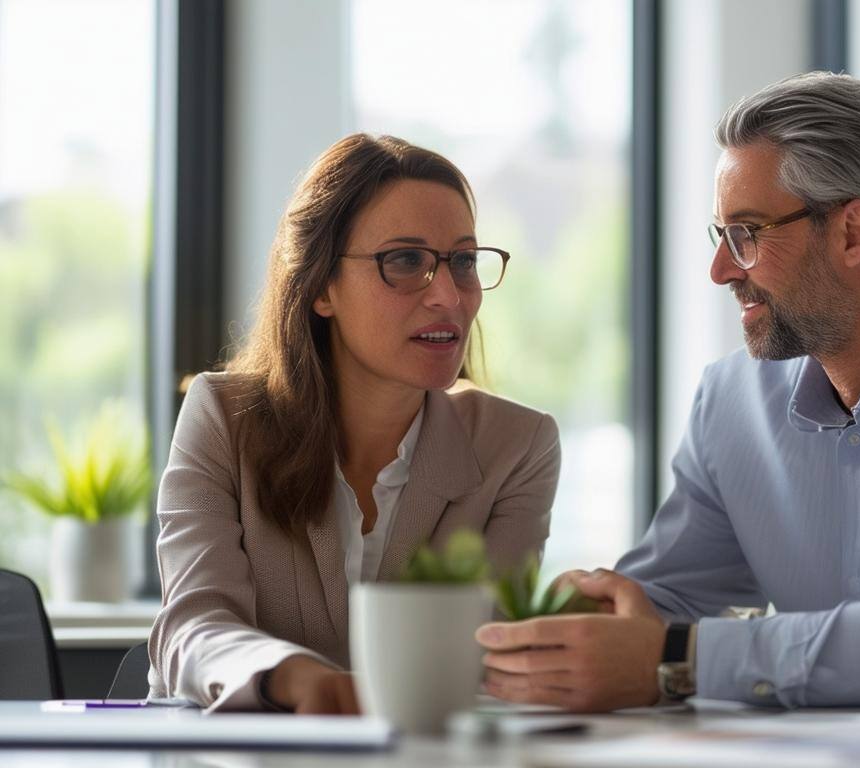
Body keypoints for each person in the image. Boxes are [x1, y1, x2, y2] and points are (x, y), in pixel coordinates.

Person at [476, 72, 860, 711]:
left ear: (853, 234)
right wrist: (588, 620)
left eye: (747, 234)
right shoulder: (732, 402)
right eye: (720, 235)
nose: (721, 270)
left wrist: (683, 658)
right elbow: (662, 605)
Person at [148, 134, 561, 713]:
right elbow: (191, 625)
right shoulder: (223, 416)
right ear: (320, 286)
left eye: (462, 261)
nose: (448, 295)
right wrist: (291, 677)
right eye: (406, 260)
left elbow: (482, 654)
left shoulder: (518, 445)